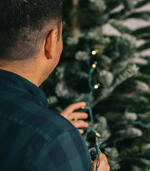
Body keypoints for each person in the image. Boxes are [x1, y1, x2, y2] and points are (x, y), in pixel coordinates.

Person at [0, 0, 110, 171]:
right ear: (50, 41)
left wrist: (47, 129)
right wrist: (54, 135)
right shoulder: (58, 140)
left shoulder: (52, 137)